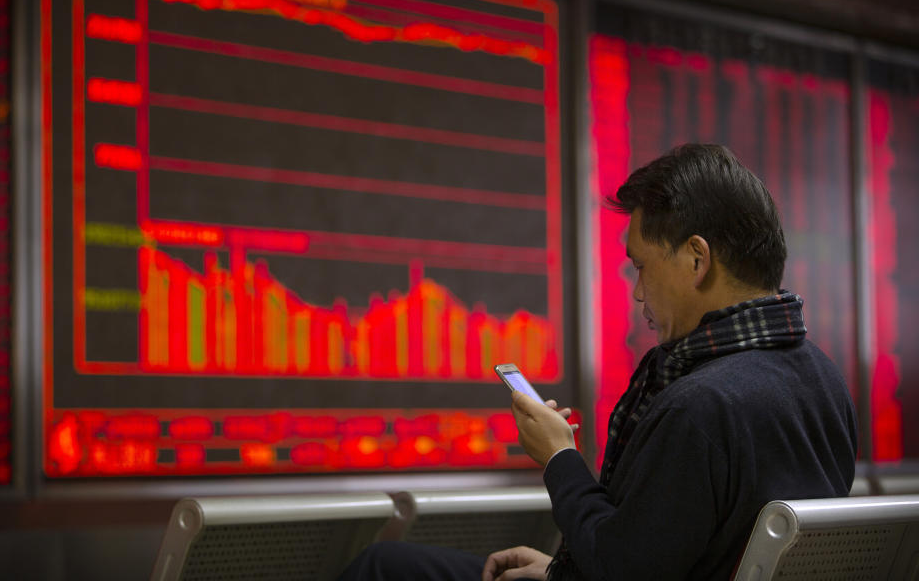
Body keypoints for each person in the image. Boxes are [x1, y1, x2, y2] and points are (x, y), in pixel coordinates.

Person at [338, 144, 858, 581]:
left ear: (696, 260)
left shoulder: (702, 408)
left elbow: (621, 569)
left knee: (385, 566)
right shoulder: (824, 382)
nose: (638, 293)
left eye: (641, 266)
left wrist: (559, 458)